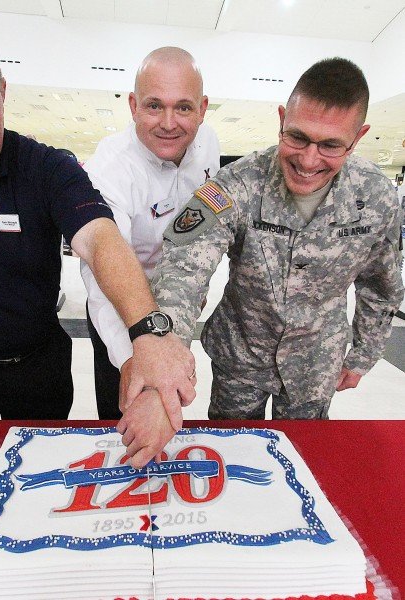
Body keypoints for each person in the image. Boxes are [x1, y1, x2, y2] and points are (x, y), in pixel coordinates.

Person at [0, 14, 196, 449]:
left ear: (3, 92)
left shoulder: (46, 168)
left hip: (40, 374)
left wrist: (148, 330)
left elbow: (99, 237)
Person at [151, 57, 404, 420]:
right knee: (234, 448)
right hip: (239, 357)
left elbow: (382, 283)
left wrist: (365, 352)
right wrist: (167, 351)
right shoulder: (238, 182)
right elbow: (185, 263)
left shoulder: (376, 196)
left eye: (331, 145)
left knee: (303, 455)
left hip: (314, 364)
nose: (308, 159)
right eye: (297, 136)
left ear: (357, 138)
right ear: (282, 119)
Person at [81, 47, 219, 420]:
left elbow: (206, 215)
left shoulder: (210, 145)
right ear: (133, 105)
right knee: (123, 411)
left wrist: (194, 287)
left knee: (169, 413)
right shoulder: (109, 170)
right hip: (119, 303)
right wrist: (133, 361)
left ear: (203, 108)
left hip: (178, 299)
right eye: (154, 105)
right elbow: (100, 272)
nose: (169, 123)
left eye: (184, 107)